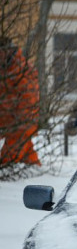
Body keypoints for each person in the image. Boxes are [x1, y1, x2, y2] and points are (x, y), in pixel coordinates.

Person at [0, 36, 41, 167]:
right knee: (27, 154)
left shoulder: (21, 69)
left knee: (8, 162)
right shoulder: (8, 69)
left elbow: (28, 100)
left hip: (20, 123)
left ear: (6, 51)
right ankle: (36, 173)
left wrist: (20, 123)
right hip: (15, 123)